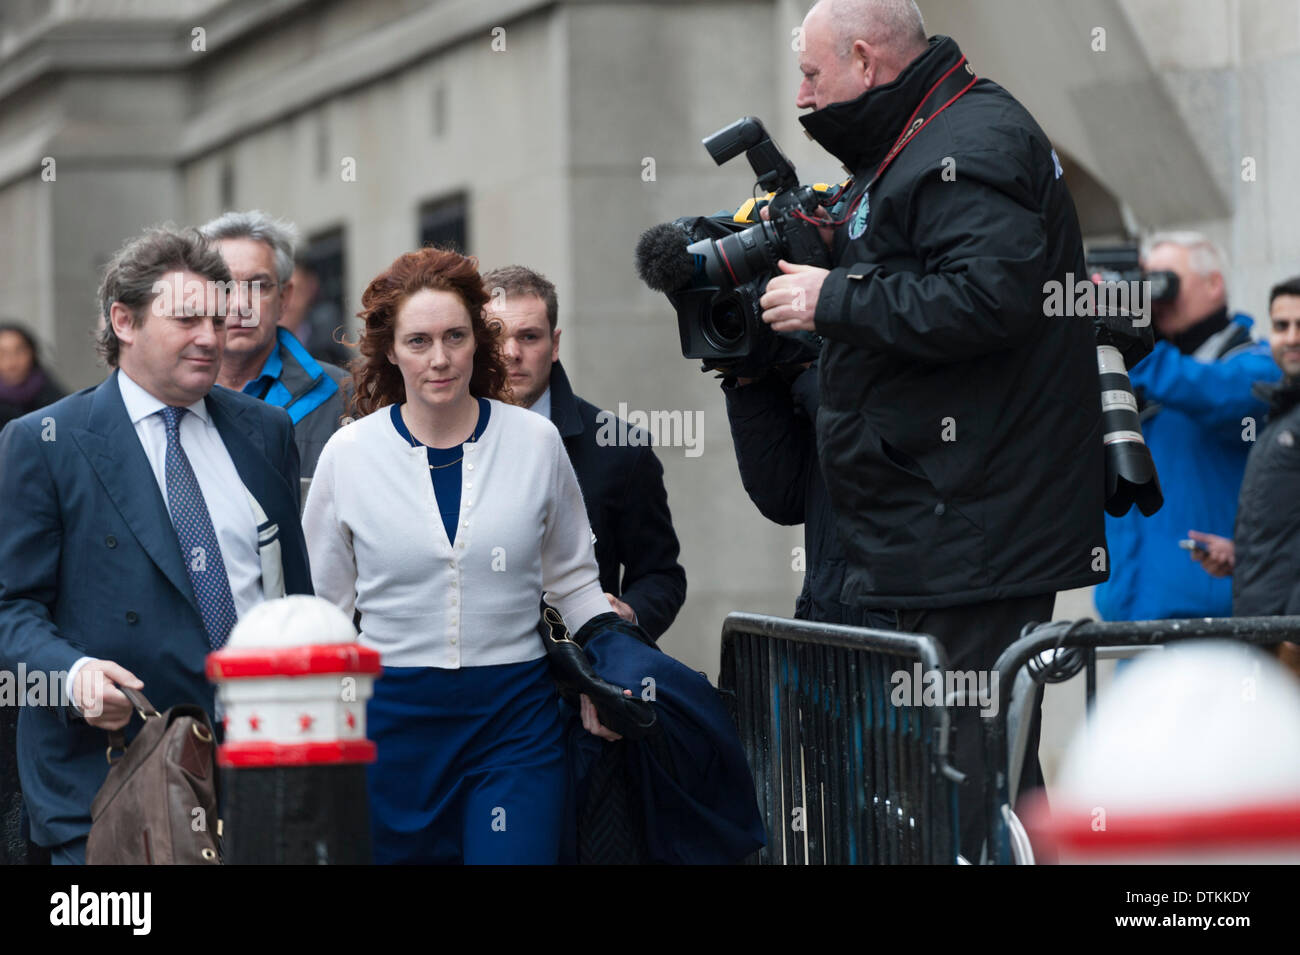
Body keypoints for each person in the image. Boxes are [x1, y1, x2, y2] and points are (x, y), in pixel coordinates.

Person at [758, 0, 1106, 860]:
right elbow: (919, 263)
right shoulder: (923, 137)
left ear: (867, 60)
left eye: (811, 73)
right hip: (943, 519)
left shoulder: (967, 142)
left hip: (974, 525)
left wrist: (829, 297)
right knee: (966, 770)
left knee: (955, 774)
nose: (802, 96)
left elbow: (990, 296)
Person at [301, 247, 626, 864]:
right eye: (419, 341)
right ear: (391, 351)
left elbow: (575, 583)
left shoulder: (536, 441)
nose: (441, 358)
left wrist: (614, 664)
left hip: (513, 724)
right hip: (390, 726)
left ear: (478, 340)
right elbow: (324, 612)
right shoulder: (348, 455)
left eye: (455, 336)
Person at [0, 226, 313, 865]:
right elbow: (10, 612)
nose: (210, 337)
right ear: (125, 320)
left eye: (218, 320)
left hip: (258, 778)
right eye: (187, 318)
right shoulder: (45, 443)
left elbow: (293, 597)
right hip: (115, 790)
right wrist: (73, 677)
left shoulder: (266, 431)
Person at [482, 265, 686, 640]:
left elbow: (661, 576)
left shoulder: (620, 449)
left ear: (554, 344)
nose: (511, 353)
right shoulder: (436, 439)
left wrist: (627, 613)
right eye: (496, 336)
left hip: (575, 683)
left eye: (529, 337)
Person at [1094, 232, 1278, 621]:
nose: (1157, 298)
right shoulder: (1138, 374)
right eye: (1147, 283)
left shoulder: (1259, 365)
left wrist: (1131, 344)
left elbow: (1213, 393)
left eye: (1167, 282)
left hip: (1216, 626)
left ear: (1214, 284)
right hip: (1129, 623)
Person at [721, 361, 893, 629]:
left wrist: (816, 370)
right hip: (825, 623)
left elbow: (874, 469)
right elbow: (784, 498)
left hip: (904, 629)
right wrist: (752, 384)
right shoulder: (813, 379)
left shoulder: (924, 343)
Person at [1189, 276, 1300, 675]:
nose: (1290, 338)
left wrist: (1293, 634)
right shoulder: (1281, 412)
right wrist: (1242, 554)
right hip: (1264, 634)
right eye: (1281, 325)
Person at [199, 210, 350, 477]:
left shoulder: (344, 397)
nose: (240, 305)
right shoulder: (170, 397)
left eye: (257, 286)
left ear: (284, 298)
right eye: (222, 285)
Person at [0, 322, 66, 427]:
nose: (11, 362)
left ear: (32, 353)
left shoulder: (55, 400)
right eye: (2, 353)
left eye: (19, 351)